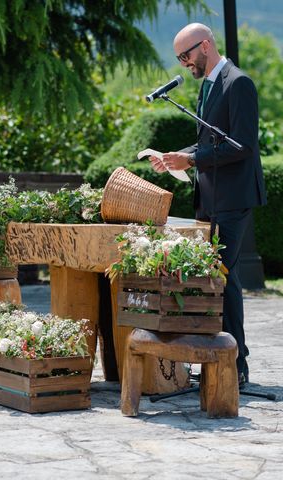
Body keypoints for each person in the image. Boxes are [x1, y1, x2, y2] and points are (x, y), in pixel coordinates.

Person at [149, 23, 267, 385]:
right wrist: (178, 156)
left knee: (223, 278)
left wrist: (194, 160)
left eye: (186, 55)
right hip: (210, 199)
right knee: (213, 280)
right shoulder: (208, 86)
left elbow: (242, 145)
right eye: (179, 58)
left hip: (233, 199)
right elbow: (211, 140)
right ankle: (216, 358)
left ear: (205, 46)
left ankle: (235, 364)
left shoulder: (238, 83)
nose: (184, 63)